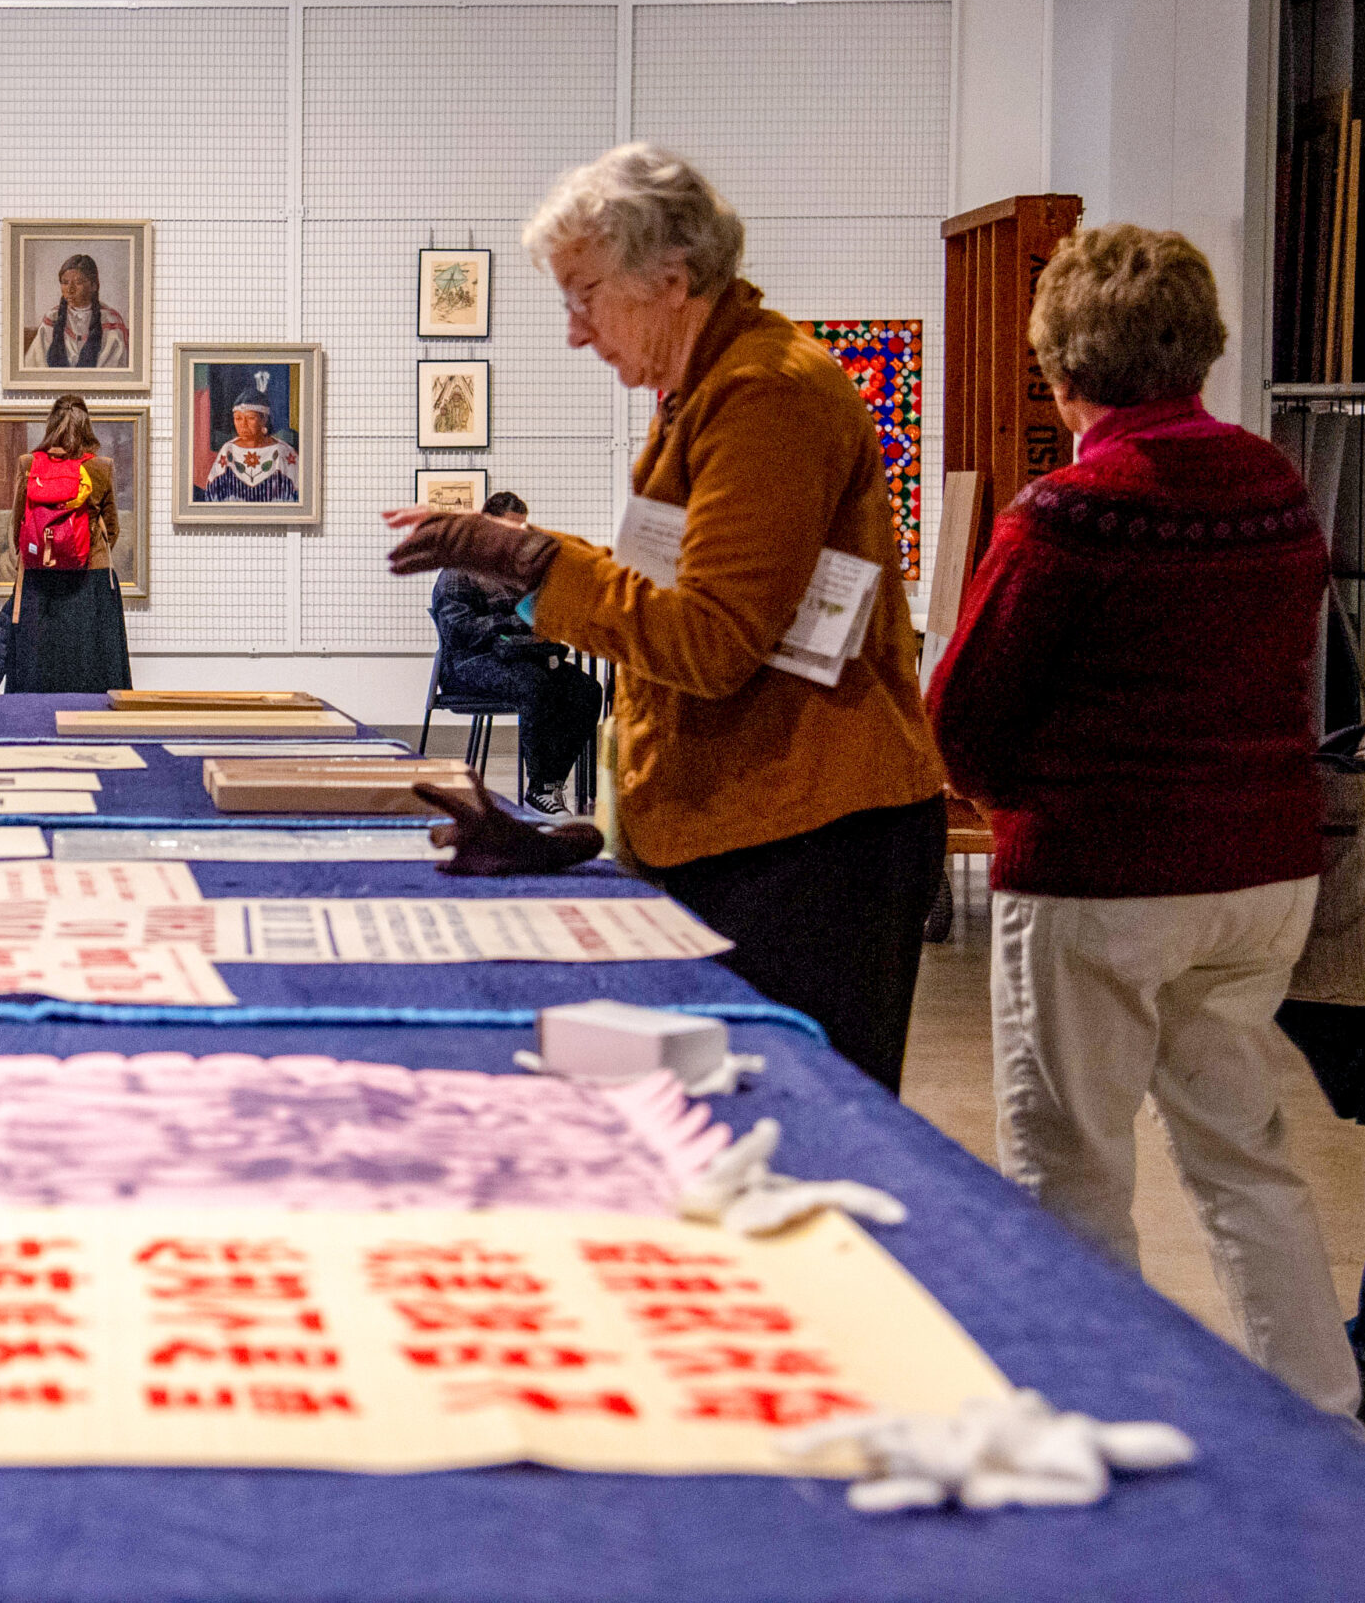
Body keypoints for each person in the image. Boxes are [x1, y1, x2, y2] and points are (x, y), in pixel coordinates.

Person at [385, 143, 945, 1092]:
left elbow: (711, 641)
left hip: (809, 842)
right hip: (762, 824)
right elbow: (671, 601)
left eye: (584, 297)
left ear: (671, 281)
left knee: (789, 1123)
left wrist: (534, 563)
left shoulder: (765, 394)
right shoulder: (707, 389)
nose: (575, 333)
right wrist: (525, 558)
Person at [926, 225, 1358, 1417]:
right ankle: (1314, 1414)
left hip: (1100, 877)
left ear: (1061, 366)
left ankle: (1096, 1414)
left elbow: (962, 713)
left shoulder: (1066, 513)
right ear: (1201, 349)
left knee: (1070, 1161)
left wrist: (1019, 804)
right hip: (1261, 872)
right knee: (1243, 1155)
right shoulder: (1274, 483)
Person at [430, 490, 602, 814]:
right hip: (468, 663)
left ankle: (549, 784)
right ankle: (541, 790)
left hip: (518, 657)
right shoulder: (458, 569)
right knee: (533, 685)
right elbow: (457, 630)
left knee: (587, 690)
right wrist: (512, 623)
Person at [3, 394, 133, 693]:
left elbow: (17, 524)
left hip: (39, 578)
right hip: (90, 576)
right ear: (87, 426)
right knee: (90, 665)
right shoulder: (101, 467)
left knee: (38, 666)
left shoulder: (28, 464)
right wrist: (82, 550)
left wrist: (39, 555)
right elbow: (112, 528)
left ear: (51, 424)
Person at [20, 252, 130, 371]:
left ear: (94, 286)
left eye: (78, 283)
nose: (70, 289)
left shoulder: (111, 320)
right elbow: (35, 363)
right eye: (65, 282)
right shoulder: (52, 317)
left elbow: (115, 367)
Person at [198, 377, 300, 502]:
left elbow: (298, 494)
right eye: (238, 418)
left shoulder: (282, 451)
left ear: (264, 419)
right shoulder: (228, 450)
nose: (243, 424)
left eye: (250, 418)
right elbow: (213, 493)